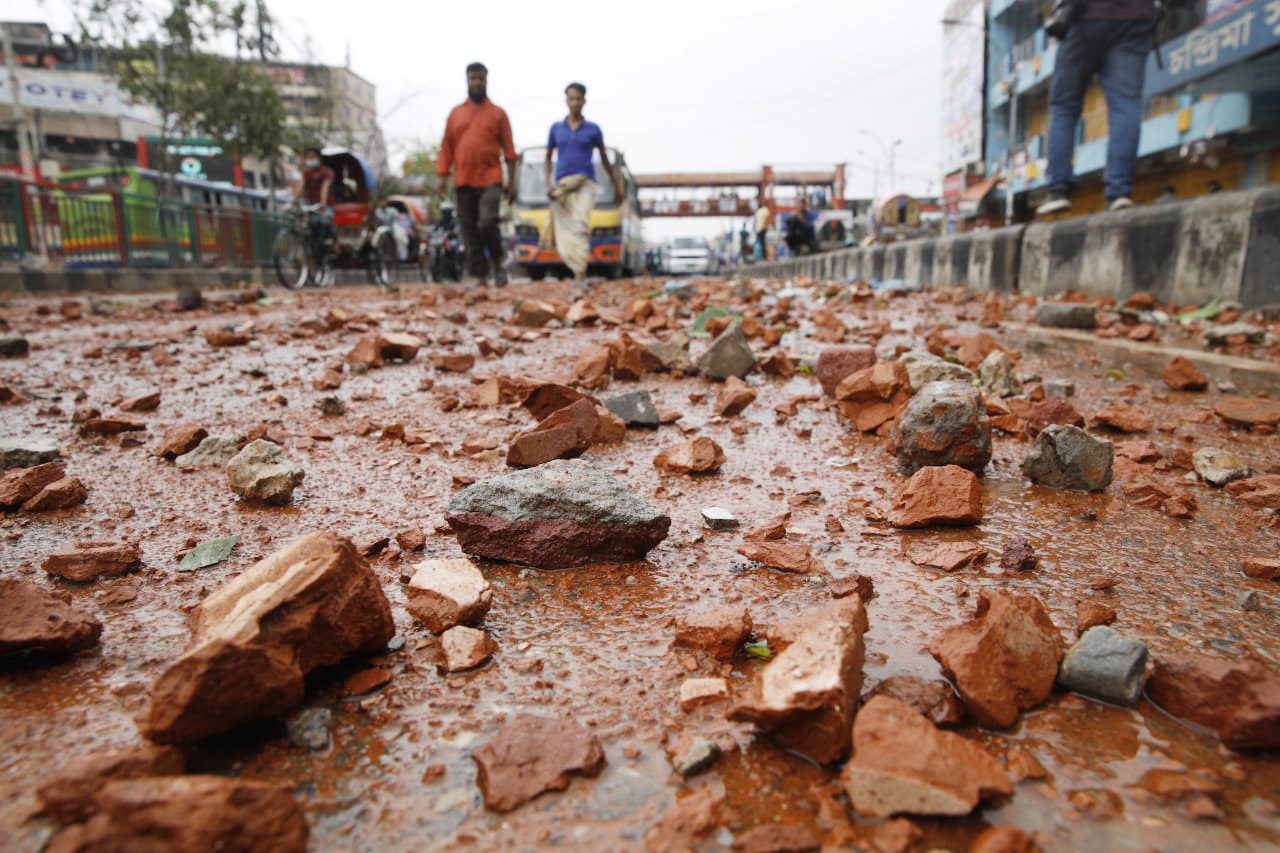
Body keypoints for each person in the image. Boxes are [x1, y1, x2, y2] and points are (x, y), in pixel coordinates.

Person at [1037, 0, 1157, 216]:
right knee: (1125, 103)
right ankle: (1119, 191)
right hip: (1135, 18)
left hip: (1085, 15)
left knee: (1064, 105)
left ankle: (1058, 189)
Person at [436, 62, 517, 286]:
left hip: (491, 177)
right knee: (469, 229)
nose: (477, 82)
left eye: (481, 78)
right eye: (473, 78)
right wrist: (442, 176)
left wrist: (512, 181)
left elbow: (510, 151)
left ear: (486, 81)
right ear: (467, 80)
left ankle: (498, 261)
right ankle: (480, 276)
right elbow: (446, 147)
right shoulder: (456, 114)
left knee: (487, 222)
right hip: (463, 179)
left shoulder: (498, 114)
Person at [541, 82, 623, 286]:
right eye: (571, 99)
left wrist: (616, 185)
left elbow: (604, 159)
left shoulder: (593, 129)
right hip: (563, 185)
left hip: (585, 183)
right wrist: (548, 184)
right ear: (566, 101)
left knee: (581, 226)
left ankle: (580, 275)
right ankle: (574, 268)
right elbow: (548, 157)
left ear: (584, 101)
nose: (575, 103)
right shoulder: (556, 129)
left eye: (578, 99)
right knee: (564, 230)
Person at [293, 146, 334, 274]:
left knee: (323, 227)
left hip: (324, 207)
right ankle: (309, 262)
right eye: (308, 157)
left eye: (312, 157)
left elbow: (325, 188)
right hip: (310, 207)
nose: (310, 160)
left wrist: (323, 203)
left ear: (319, 158)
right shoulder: (307, 173)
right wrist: (294, 201)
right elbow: (301, 187)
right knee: (307, 231)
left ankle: (329, 247)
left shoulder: (327, 172)